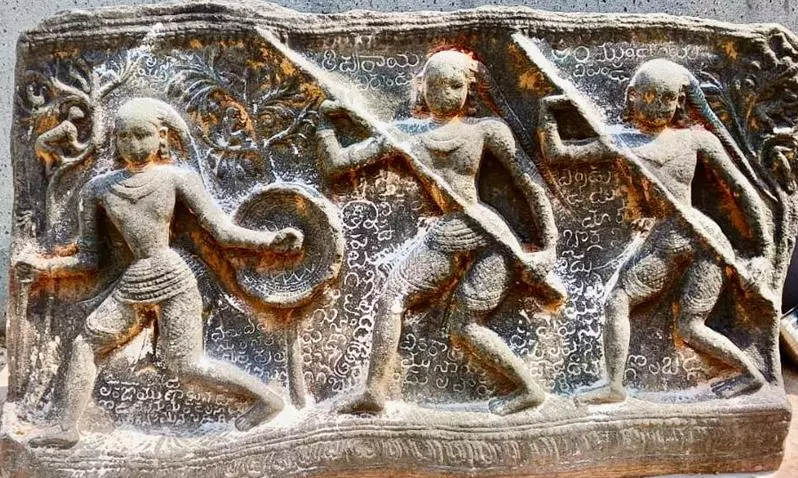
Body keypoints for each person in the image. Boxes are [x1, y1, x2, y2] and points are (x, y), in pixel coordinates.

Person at [17, 97, 303, 448]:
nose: (132, 145)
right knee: (85, 344)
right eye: (124, 137)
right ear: (115, 140)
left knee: (188, 365)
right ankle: (66, 427)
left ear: (161, 137)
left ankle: (267, 399)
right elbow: (89, 260)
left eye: (142, 135)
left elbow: (223, 232)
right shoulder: (99, 189)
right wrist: (44, 268)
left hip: (174, 278)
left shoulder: (177, 179)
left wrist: (270, 241)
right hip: (136, 280)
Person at [317, 50, 564, 416]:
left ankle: (528, 389)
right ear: (422, 88)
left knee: (419, 308)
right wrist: (326, 122)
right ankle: (375, 392)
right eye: (435, 85)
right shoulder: (407, 134)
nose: (444, 93)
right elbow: (337, 164)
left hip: (489, 236)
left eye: (454, 85)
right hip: (462, 231)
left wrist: (549, 247)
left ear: (469, 90)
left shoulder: (485, 130)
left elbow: (531, 184)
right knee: (444, 319)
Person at [537, 58, 774, 403]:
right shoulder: (620, 141)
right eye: (650, 96)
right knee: (628, 305)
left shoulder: (696, 141)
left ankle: (750, 373)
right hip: (670, 236)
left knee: (681, 323)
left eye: (668, 98)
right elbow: (558, 154)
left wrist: (763, 254)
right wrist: (548, 111)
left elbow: (741, 190)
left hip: (702, 239)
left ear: (680, 101)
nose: (659, 106)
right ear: (632, 95)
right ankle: (616, 386)